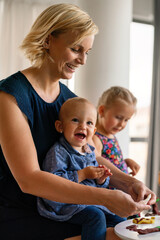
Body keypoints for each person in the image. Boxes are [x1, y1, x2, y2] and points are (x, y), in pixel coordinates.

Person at [0, 3, 156, 240]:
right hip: (22, 213)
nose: (83, 60)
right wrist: (105, 197)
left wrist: (127, 183)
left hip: (67, 208)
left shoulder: (70, 101)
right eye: (76, 49)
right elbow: (29, 179)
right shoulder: (10, 97)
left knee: (134, 232)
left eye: (87, 52)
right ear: (47, 40)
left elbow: (88, 154)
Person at [37, 97, 126, 240]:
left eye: (89, 123)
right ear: (60, 126)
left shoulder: (89, 151)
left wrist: (101, 179)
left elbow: (97, 183)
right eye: (75, 120)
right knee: (96, 217)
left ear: (94, 130)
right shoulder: (58, 152)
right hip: (65, 204)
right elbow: (54, 183)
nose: (83, 126)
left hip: (89, 200)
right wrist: (82, 174)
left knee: (120, 219)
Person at [93, 86, 140, 181]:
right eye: (118, 117)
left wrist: (124, 162)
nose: (122, 124)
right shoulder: (96, 139)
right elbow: (97, 166)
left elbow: (110, 161)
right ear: (102, 111)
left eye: (126, 120)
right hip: (110, 192)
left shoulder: (111, 136)